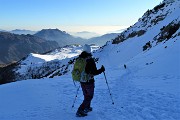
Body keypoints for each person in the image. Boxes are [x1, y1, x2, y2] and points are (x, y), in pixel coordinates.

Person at [76, 44, 105, 117]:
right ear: (90, 50)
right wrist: (102, 70)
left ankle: (87, 107)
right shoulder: (90, 60)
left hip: (82, 80)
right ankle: (80, 110)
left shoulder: (80, 59)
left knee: (86, 95)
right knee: (89, 97)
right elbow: (94, 72)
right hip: (89, 81)